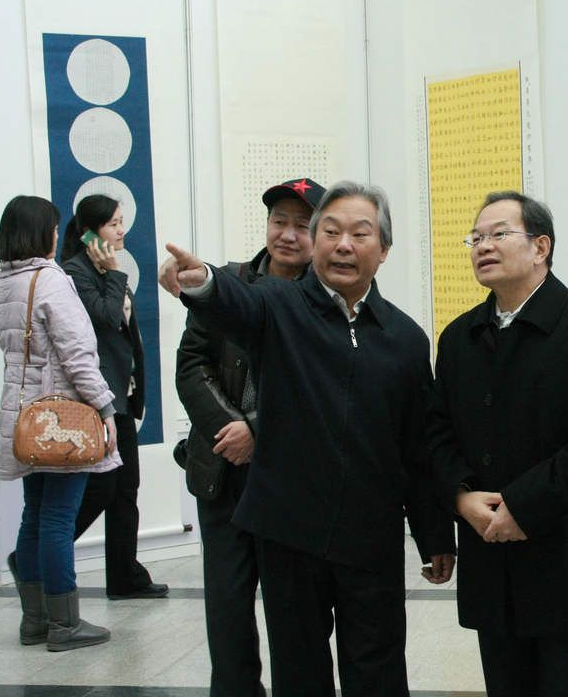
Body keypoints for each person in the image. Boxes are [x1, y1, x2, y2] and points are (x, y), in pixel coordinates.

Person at [159, 181, 455, 697]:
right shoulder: (278, 305)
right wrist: (201, 282)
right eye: (331, 232)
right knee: (299, 670)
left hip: (371, 535)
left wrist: (434, 536)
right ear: (316, 244)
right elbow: (233, 302)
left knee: (379, 666)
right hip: (289, 532)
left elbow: (416, 448)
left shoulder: (406, 339)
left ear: (384, 250)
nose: (343, 245)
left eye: (360, 234)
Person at [424, 191, 568, 697]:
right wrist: (460, 496)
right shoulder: (459, 337)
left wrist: (522, 505)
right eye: (476, 238)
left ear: (541, 247)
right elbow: (436, 432)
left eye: (499, 234)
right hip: (490, 555)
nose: (483, 246)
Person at [174, 176, 324, 696]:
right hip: (223, 471)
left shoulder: (325, 298)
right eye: (279, 221)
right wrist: (230, 428)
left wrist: (258, 431)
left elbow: (325, 385)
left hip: (290, 480)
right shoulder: (227, 284)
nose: (288, 234)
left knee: (294, 612)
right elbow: (192, 364)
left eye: (303, 226)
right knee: (228, 606)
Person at [0, 195, 120, 651]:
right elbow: (77, 356)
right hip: (62, 419)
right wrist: (105, 408)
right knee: (59, 520)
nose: (55, 234)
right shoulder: (50, 280)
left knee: (35, 516)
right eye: (53, 227)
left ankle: (35, 621)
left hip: (25, 417)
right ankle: (65, 624)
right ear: (40, 233)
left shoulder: (3, 283)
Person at [60, 194, 168, 599]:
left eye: (122, 222)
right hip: (98, 398)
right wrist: (115, 273)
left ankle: (124, 576)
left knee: (126, 489)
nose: (122, 231)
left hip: (121, 393)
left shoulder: (101, 269)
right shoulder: (75, 272)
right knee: (103, 489)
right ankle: (34, 555)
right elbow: (106, 318)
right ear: (90, 233)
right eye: (113, 224)